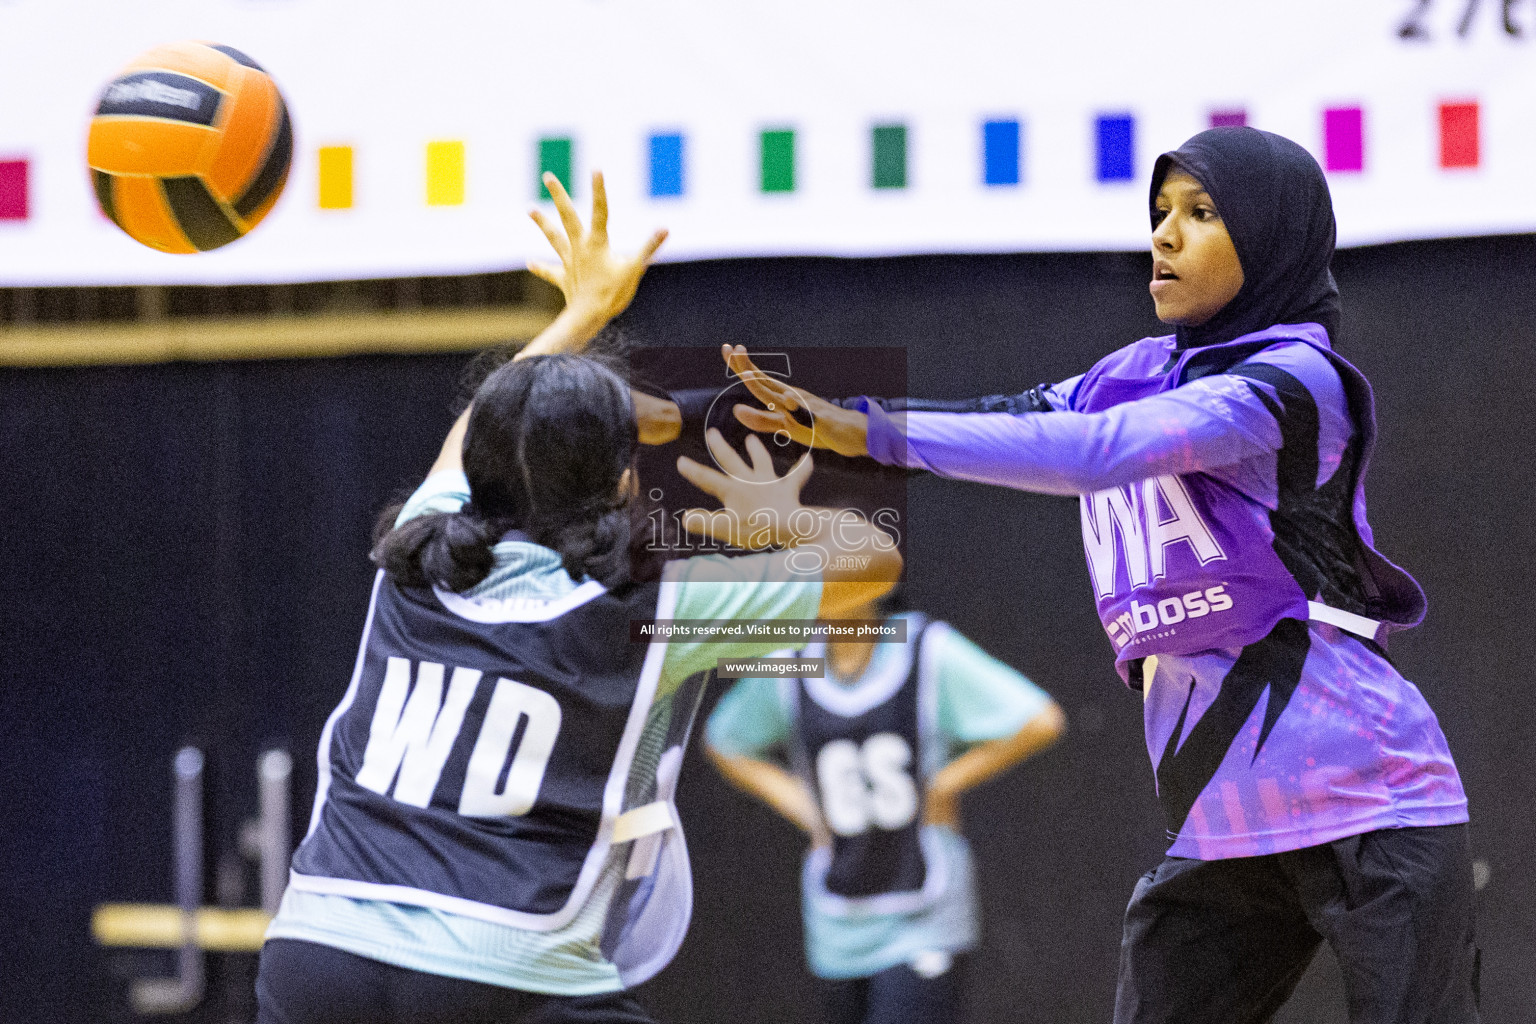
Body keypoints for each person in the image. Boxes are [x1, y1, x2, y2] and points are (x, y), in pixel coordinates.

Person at [707, 128, 1480, 1023]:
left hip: (1372, 800)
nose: (1163, 236)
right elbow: (1003, 418)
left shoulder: (1295, 379)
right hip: (1223, 827)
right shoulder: (1131, 373)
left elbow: (1095, 451)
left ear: (1271, 240)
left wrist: (877, 432)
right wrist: (835, 427)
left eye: (1201, 214)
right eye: (1159, 213)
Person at [254, 172, 902, 1024]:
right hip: (506, 965)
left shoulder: (416, 552)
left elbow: (476, 428)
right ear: (625, 480)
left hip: (315, 954)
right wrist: (778, 522)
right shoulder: (657, 610)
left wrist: (578, 311)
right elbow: (873, 564)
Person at [704, 593, 1063, 1024]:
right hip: (837, 921)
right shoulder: (793, 659)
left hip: (923, 911)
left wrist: (944, 784)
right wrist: (802, 805)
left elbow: (1039, 719)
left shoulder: (924, 647)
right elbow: (724, 739)